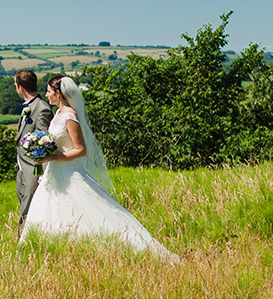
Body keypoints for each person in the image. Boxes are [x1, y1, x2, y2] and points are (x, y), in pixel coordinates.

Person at [20, 75, 179, 262]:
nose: (46, 95)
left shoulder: (70, 117)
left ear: (58, 93)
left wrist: (52, 156)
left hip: (69, 172)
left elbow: (80, 150)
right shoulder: (58, 115)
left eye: (48, 91)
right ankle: (53, 252)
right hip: (53, 173)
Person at [14, 70, 52, 235]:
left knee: (28, 210)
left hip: (34, 170)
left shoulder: (41, 108)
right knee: (25, 206)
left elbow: (44, 142)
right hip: (23, 168)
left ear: (20, 88)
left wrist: (41, 174)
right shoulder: (29, 106)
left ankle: (23, 240)